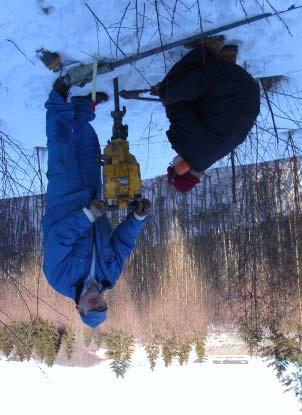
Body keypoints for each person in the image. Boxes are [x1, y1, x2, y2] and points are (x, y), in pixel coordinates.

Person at [42, 79, 151, 328]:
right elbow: (123, 244)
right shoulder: (109, 277)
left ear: (79, 309)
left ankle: (58, 101)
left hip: (65, 200)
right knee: (89, 152)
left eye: (91, 309)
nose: (96, 303)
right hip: (94, 201)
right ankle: (81, 110)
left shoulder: (59, 279)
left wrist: (87, 216)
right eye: (101, 307)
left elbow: (58, 238)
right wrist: (137, 219)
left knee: (61, 150)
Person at [157, 36, 260, 192]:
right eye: (173, 166)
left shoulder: (208, 157)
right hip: (230, 82)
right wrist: (172, 96)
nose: (173, 161)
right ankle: (209, 48)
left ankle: (227, 58)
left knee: (202, 100)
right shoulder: (189, 147)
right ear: (182, 169)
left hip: (248, 89)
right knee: (168, 93)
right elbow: (178, 107)